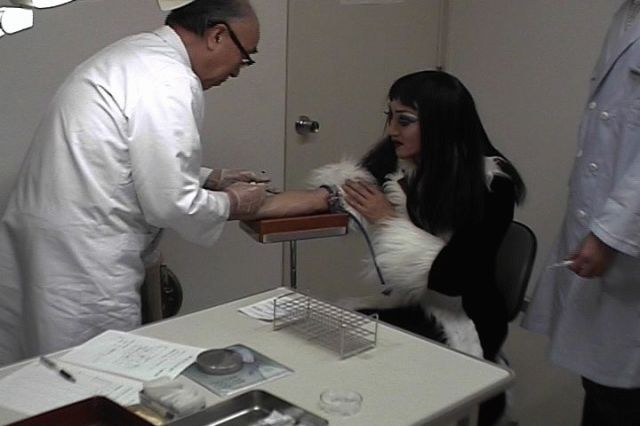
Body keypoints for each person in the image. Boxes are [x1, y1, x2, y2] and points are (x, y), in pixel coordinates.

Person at [0, 0, 269, 365]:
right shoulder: (168, 77)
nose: (237, 71)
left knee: (35, 371)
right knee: (89, 375)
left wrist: (210, 177)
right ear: (218, 35)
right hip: (83, 259)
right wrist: (234, 202)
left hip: (47, 241)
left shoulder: (135, 55)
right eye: (245, 56)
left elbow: (117, 154)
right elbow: (170, 202)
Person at [307, 70, 526, 425]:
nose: (392, 130)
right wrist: (256, 204)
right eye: (390, 117)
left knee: (358, 357)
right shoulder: (404, 159)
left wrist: (387, 220)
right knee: (329, 338)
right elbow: (345, 190)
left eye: (404, 120)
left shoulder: (492, 184)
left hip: (465, 314)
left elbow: (453, 277)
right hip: (411, 302)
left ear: (441, 123)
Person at [522, 2, 640, 425]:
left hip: (625, 241)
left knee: (620, 392)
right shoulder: (626, 14)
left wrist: (609, 235)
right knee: (600, 381)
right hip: (605, 232)